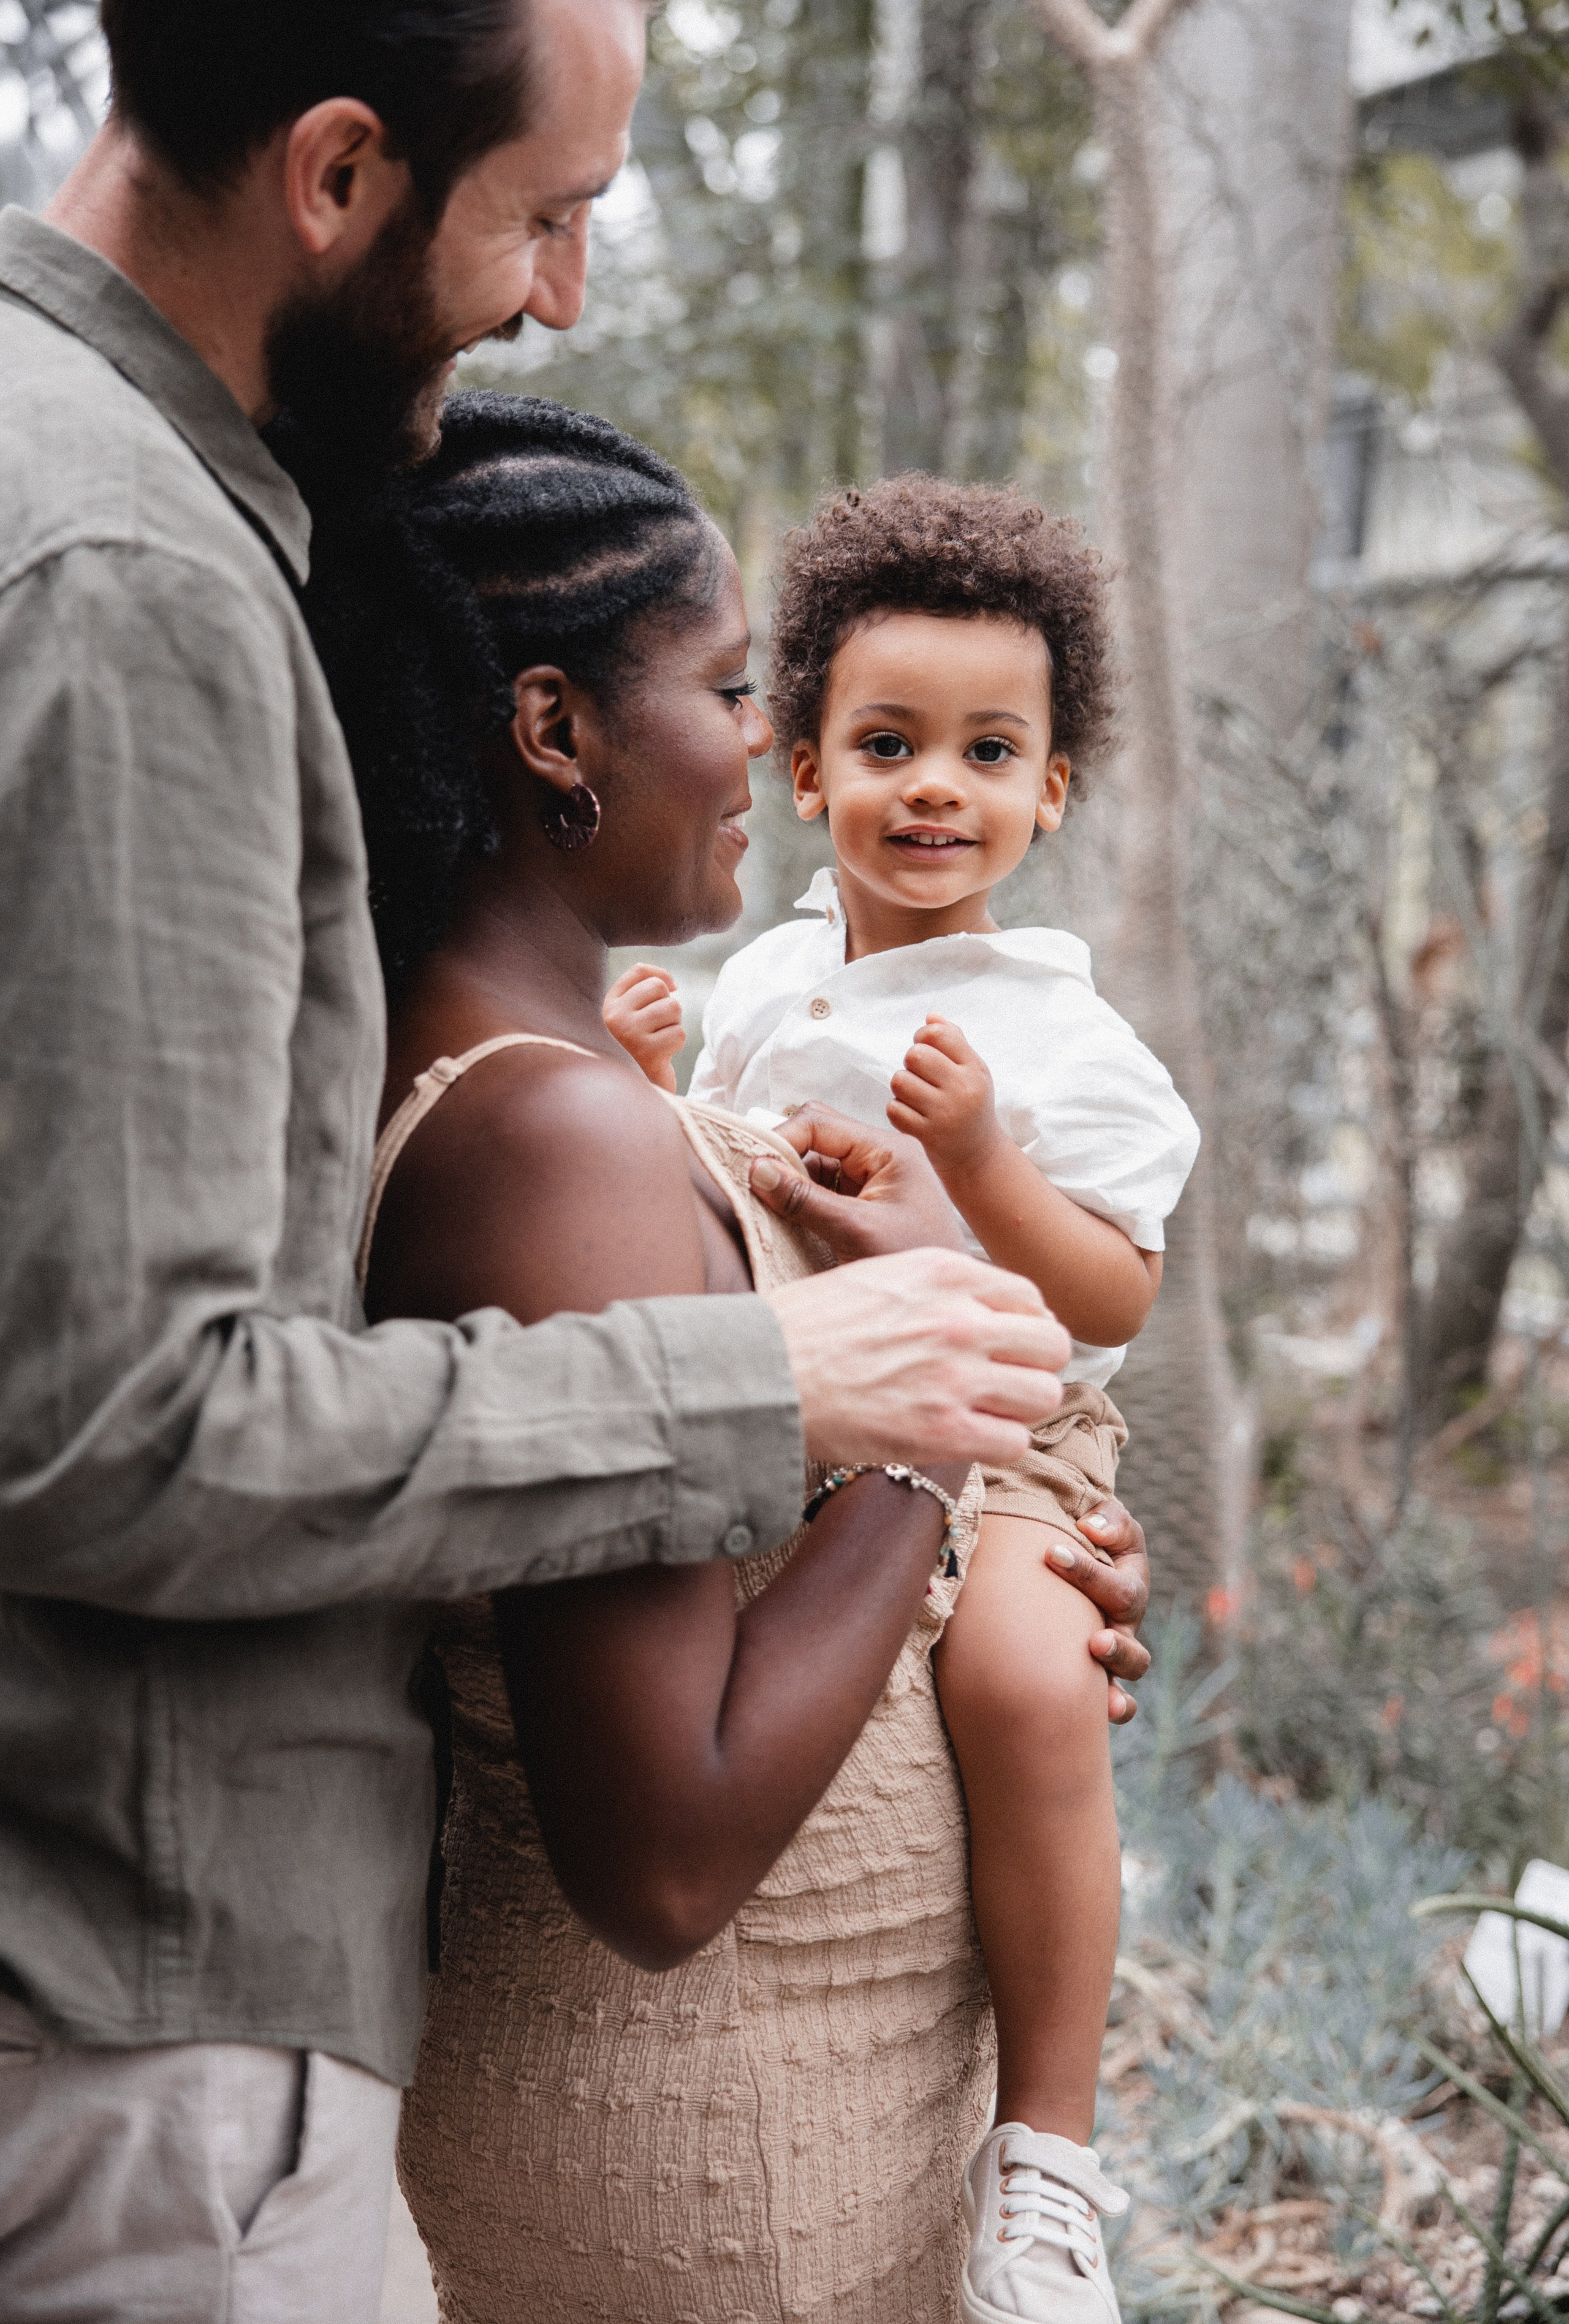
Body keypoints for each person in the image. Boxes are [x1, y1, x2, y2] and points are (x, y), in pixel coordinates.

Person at [0, 0, 1089, 2317]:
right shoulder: (130, 579)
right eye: (553, 215)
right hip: (154, 2018)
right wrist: (864, 1424)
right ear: (338, 173)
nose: (562, 295)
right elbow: (116, 1419)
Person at [298, 391, 1158, 2323]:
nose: (763, 741)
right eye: (722, 681)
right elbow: (665, 1850)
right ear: (552, 733)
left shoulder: (564, 1091)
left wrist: (990, 1551)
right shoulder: (560, 1132)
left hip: (782, 2110)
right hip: (730, 2157)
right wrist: (937, 1433)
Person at [612, 475, 1200, 2324]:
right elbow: (709, 1188)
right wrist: (631, 1080)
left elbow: (1114, 1291)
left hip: (1011, 1420)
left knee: (1030, 1677)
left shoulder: (1061, 1036)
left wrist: (991, 1164)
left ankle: (1046, 2166)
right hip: (811, 1413)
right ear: (804, 774)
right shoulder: (774, 980)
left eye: (987, 750)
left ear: (1051, 791)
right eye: (889, 743)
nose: (935, 785)